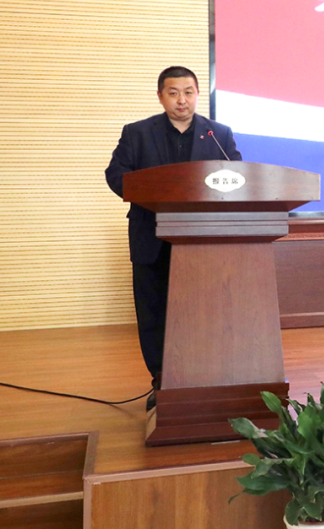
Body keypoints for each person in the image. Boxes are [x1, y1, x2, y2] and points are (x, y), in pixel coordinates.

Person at [105, 66, 242, 409]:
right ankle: (162, 381)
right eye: (173, 92)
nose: (182, 100)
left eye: (188, 92)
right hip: (151, 237)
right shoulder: (137, 133)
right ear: (160, 96)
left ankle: (203, 377)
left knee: (203, 312)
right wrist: (153, 194)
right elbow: (116, 175)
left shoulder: (218, 135)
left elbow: (238, 176)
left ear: (198, 94)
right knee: (154, 314)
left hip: (202, 241)